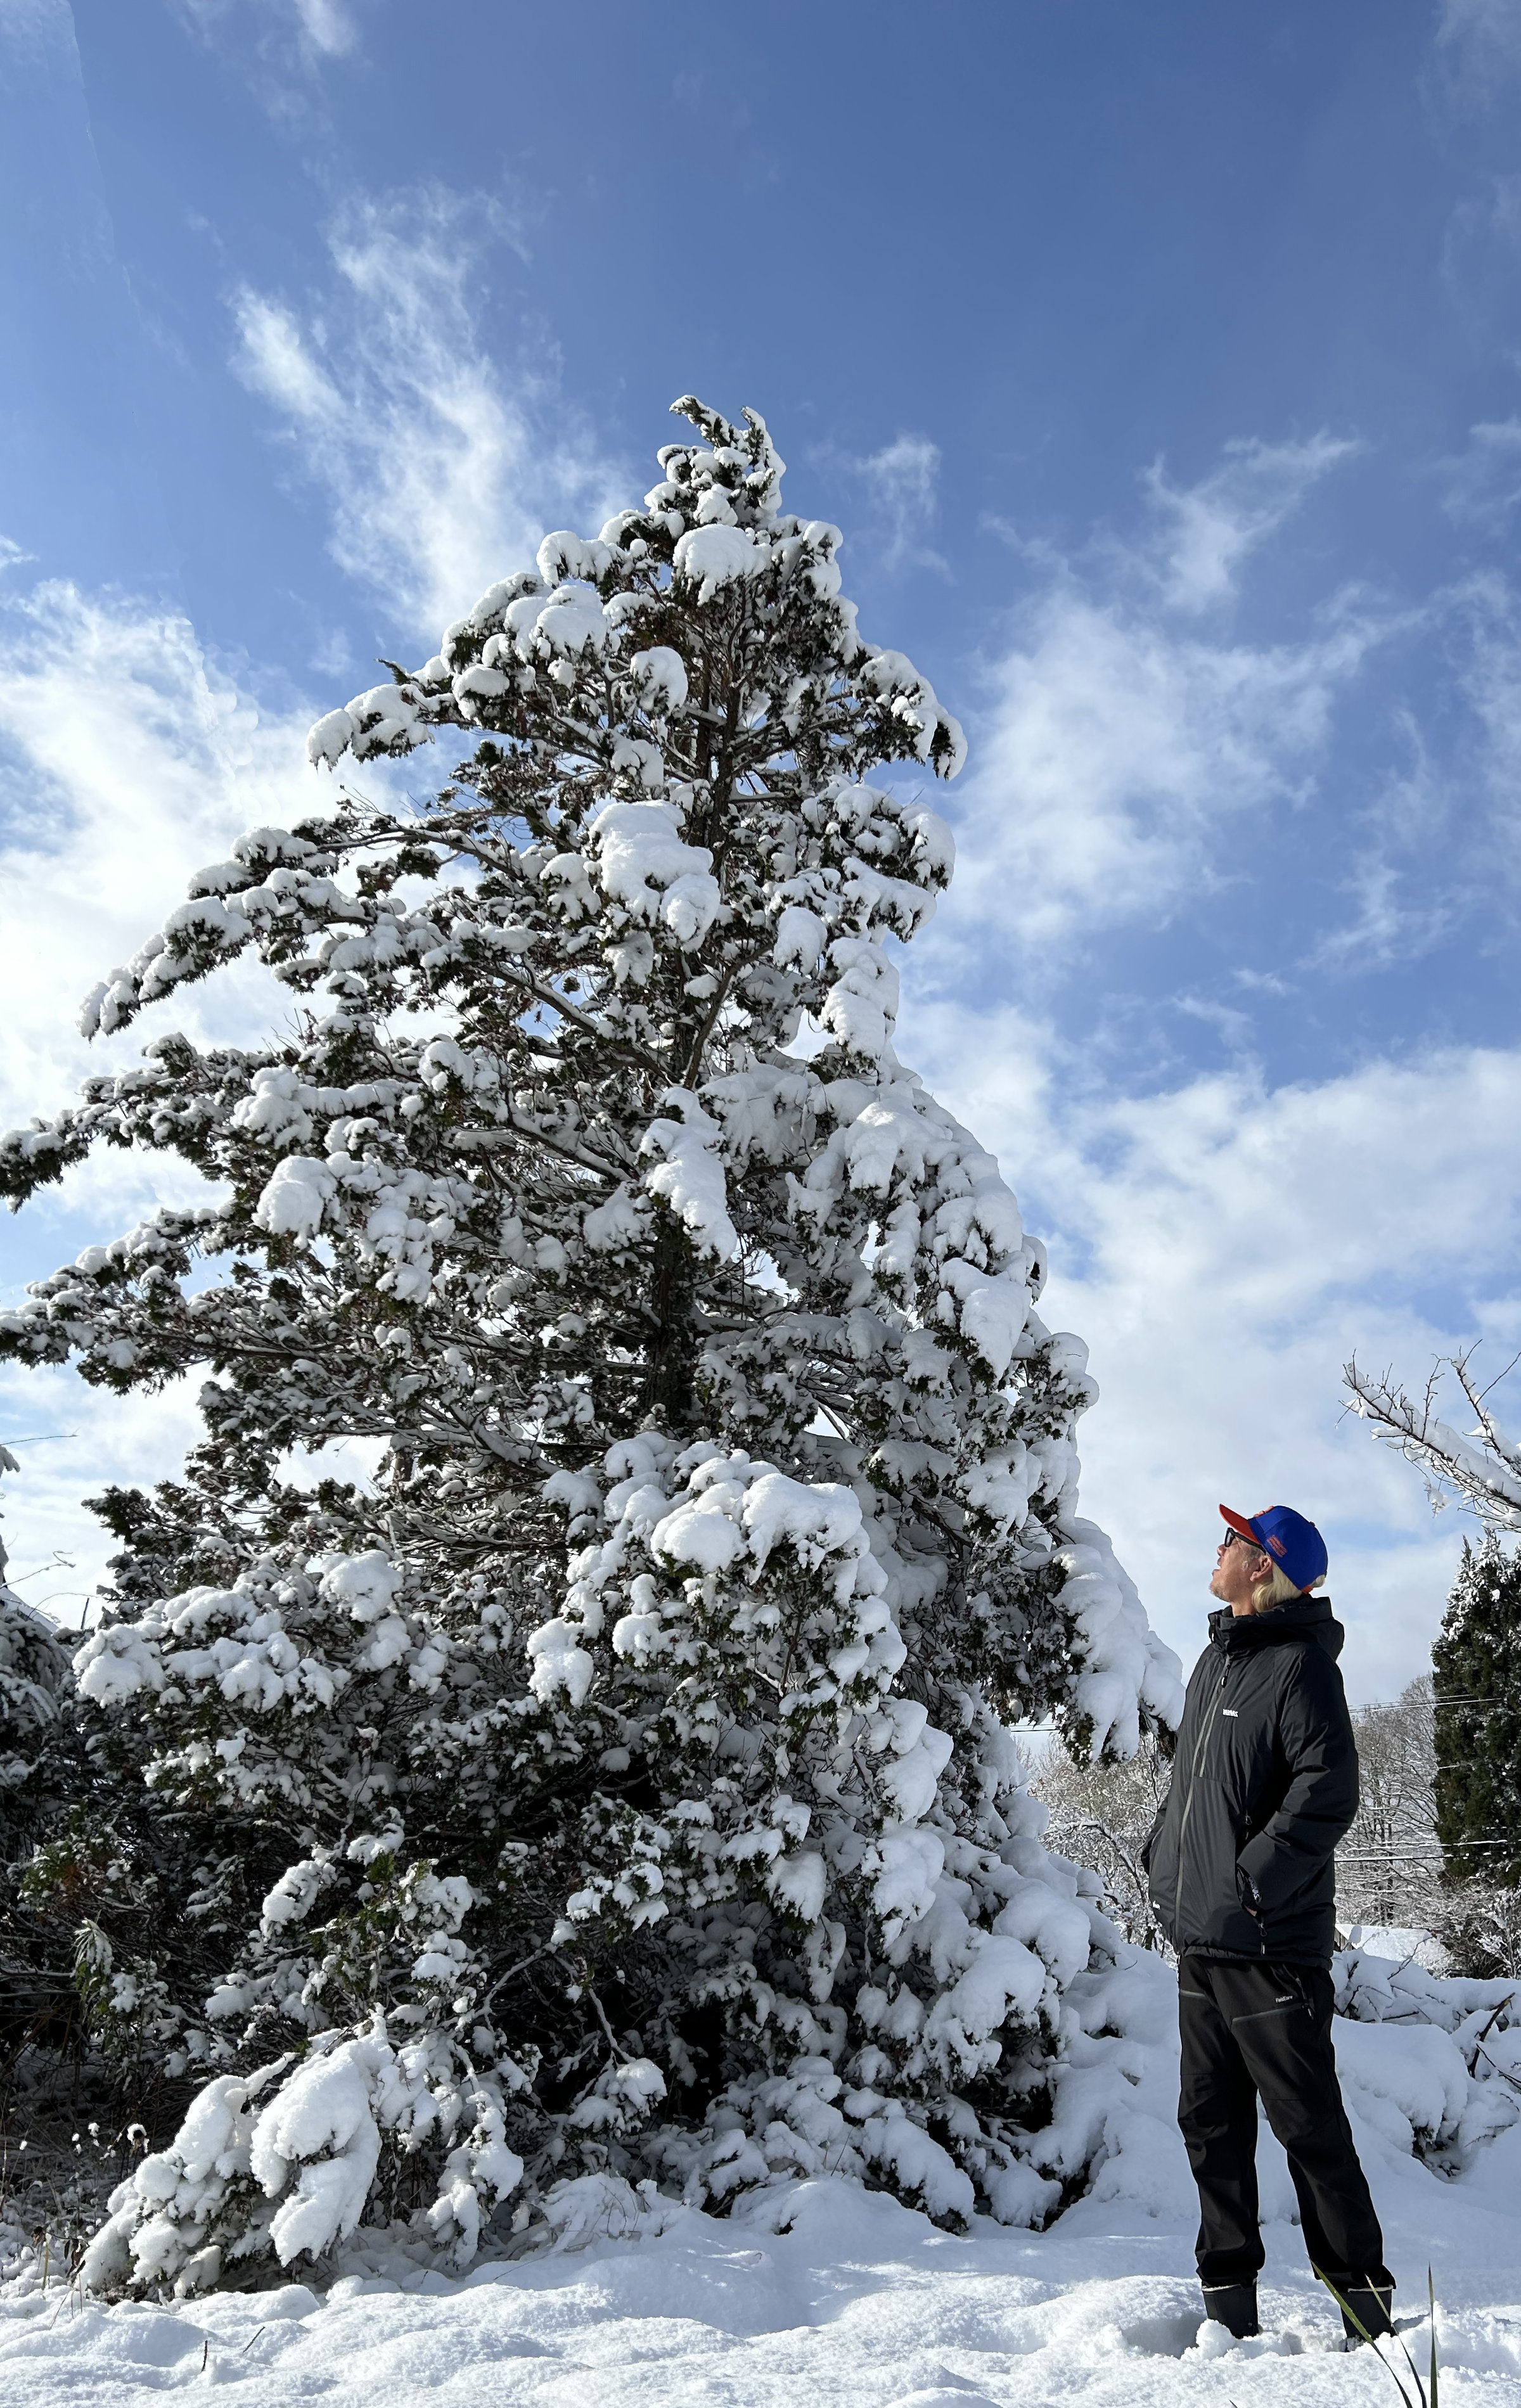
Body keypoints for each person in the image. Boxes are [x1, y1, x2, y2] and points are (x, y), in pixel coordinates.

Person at [1143, 1503, 1393, 2347]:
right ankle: (1228, 2307)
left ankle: (1366, 2310)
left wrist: (1254, 1884)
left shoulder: (1301, 1668)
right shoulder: (1218, 1660)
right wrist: (1161, 1859)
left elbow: (1328, 1792)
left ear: (1263, 1567)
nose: (1216, 1549)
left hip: (1268, 1946)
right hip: (1202, 1939)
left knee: (1307, 2126)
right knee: (1208, 2125)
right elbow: (1195, 1791)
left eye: (1232, 1542)